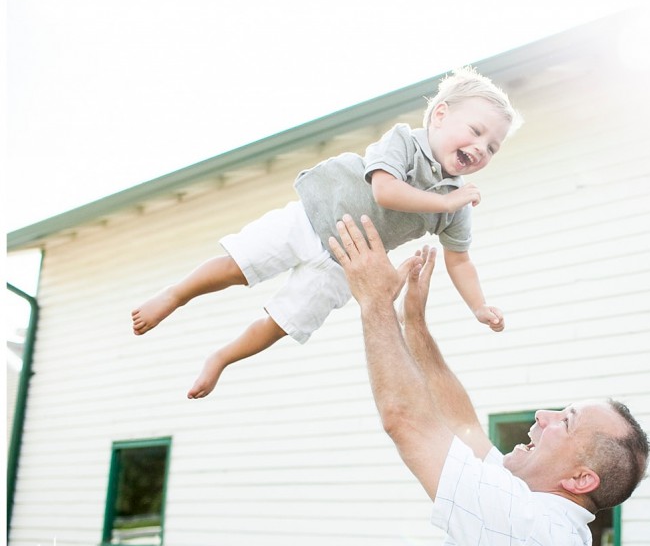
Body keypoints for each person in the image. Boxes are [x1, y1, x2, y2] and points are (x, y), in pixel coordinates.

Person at [328, 214, 650, 546]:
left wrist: (374, 303)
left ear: (580, 478)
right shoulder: (536, 515)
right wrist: (414, 325)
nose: (543, 415)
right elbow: (463, 427)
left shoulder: (527, 531)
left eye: (566, 420)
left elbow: (406, 419)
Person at [131, 67, 521, 398]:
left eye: (493, 147)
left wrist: (478, 306)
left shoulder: (457, 199)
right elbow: (384, 190)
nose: (482, 148)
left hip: (345, 265)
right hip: (311, 218)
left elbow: (461, 259)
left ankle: (221, 357)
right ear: (439, 115)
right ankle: (176, 294)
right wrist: (445, 204)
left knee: (282, 323)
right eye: (476, 131)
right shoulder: (403, 142)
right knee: (238, 266)